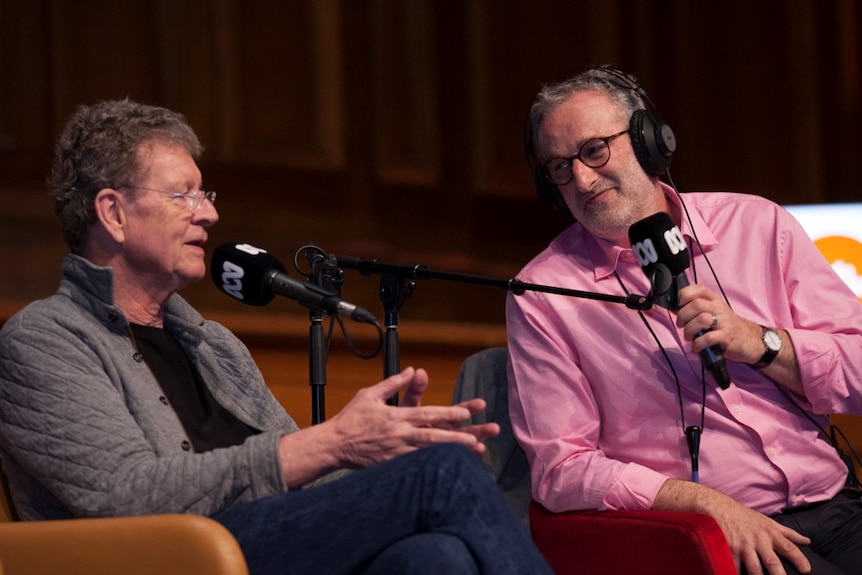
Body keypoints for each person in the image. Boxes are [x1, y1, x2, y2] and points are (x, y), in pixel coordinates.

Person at [0, 98, 553, 575]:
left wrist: (377, 454)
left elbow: (304, 485)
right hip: (173, 557)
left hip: (254, 548)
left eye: (206, 194)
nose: (210, 214)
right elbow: (126, 496)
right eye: (184, 195)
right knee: (444, 474)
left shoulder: (214, 345)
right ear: (113, 213)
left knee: (435, 558)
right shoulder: (45, 340)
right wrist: (333, 442)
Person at [507, 66, 862, 575]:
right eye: (560, 168)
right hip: (711, 535)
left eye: (593, 150)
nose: (581, 179)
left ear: (649, 141)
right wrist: (701, 503)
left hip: (837, 502)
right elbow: (561, 471)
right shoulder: (542, 295)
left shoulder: (758, 225)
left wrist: (759, 342)